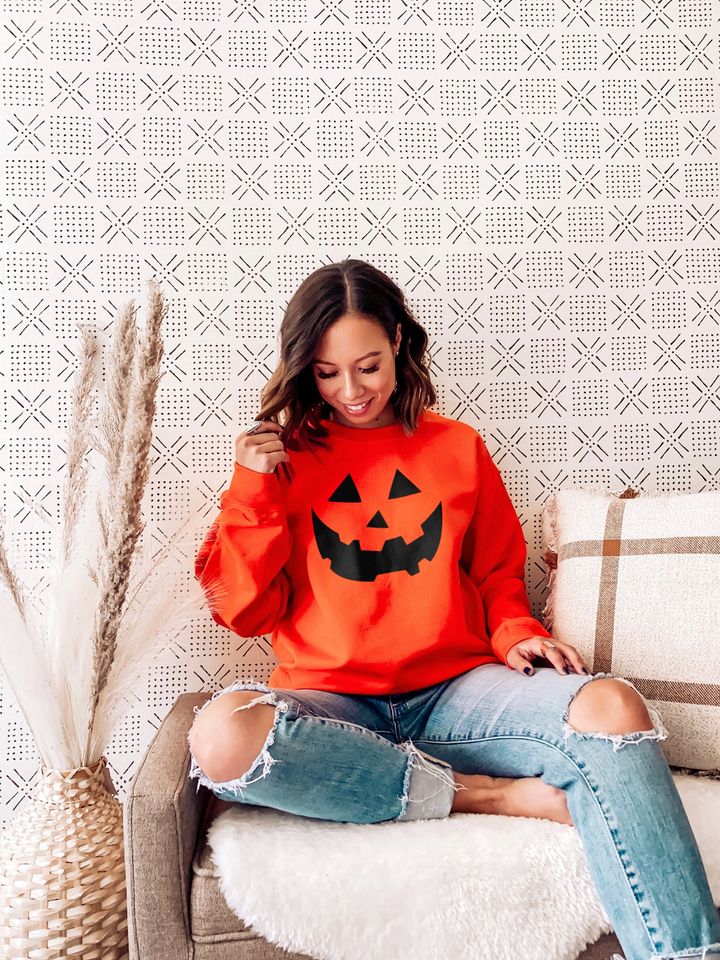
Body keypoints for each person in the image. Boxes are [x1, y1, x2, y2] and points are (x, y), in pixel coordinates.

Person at [187, 259, 720, 960]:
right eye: (326, 373)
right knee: (222, 738)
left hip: (457, 696)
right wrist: (252, 491)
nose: (351, 391)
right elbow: (245, 612)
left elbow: (496, 573)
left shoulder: (455, 447)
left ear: (399, 343)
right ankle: (487, 795)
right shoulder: (281, 464)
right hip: (335, 707)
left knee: (612, 707)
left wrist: (517, 632)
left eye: (368, 367)